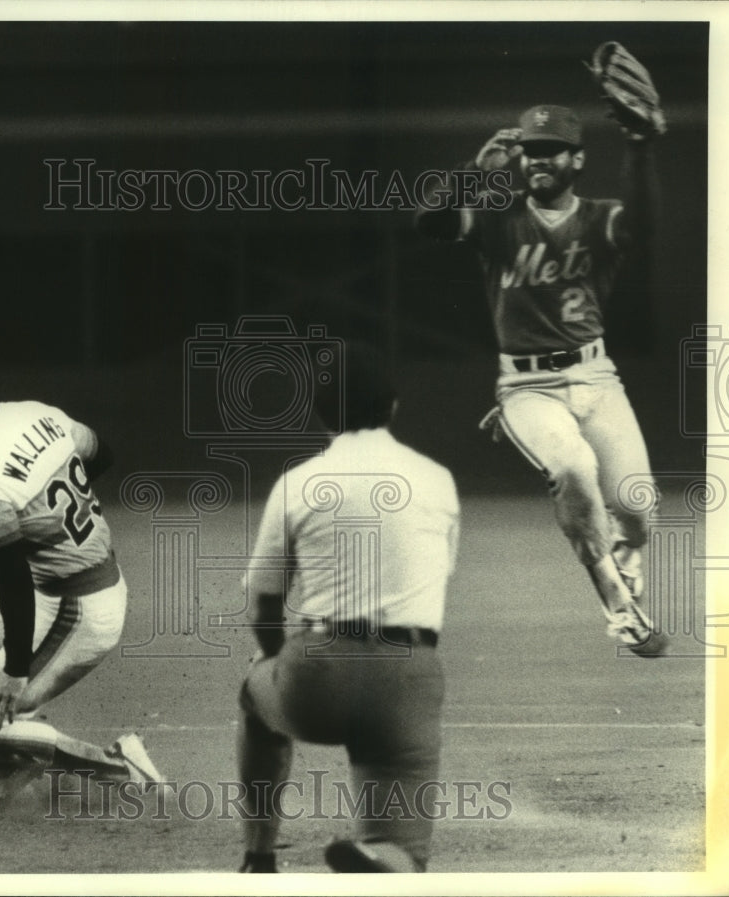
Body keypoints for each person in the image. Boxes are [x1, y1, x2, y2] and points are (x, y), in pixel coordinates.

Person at [415, 102, 667, 657]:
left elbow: (645, 228)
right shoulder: (498, 219)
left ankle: (627, 554)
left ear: (577, 159)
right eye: (530, 151)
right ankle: (619, 608)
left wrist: (641, 146)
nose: (537, 161)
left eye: (550, 151)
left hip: (597, 376)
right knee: (574, 468)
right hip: (526, 389)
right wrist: (476, 172)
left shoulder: (598, 216)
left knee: (638, 506)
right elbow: (428, 221)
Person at [236, 343, 460, 873]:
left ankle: (259, 857)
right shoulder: (438, 479)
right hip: (409, 673)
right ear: (394, 406)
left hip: (318, 672)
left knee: (254, 699)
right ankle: (381, 852)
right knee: (405, 853)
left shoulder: (298, 482)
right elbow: (435, 579)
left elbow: (263, 599)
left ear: (321, 414)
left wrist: (273, 660)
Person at [0, 333, 162, 806]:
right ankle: (19, 749)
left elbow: (10, 582)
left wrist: (14, 669)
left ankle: (119, 766)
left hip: (76, 609)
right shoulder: (38, 413)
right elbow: (101, 455)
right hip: (70, 588)